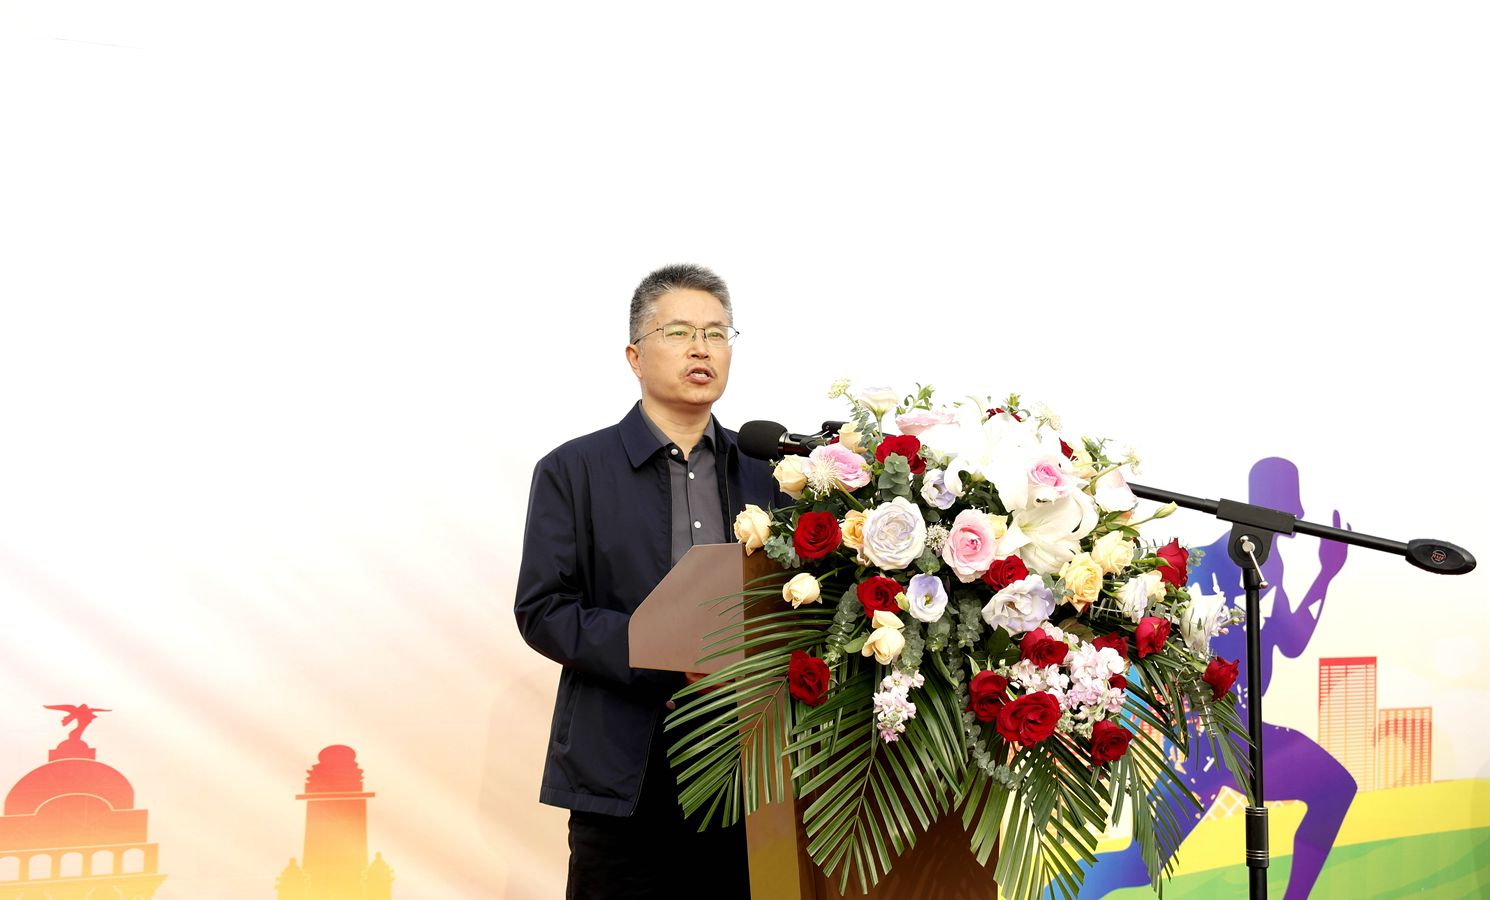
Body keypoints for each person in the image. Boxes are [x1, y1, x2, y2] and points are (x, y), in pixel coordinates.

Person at [514, 264, 776, 900]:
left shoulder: (768, 471)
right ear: (634, 356)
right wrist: (663, 650)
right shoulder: (573, 470)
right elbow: (543, 609)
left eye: (717, 334)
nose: (701, 349)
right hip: (624, 769)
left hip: (749, 764)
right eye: (679, 332)